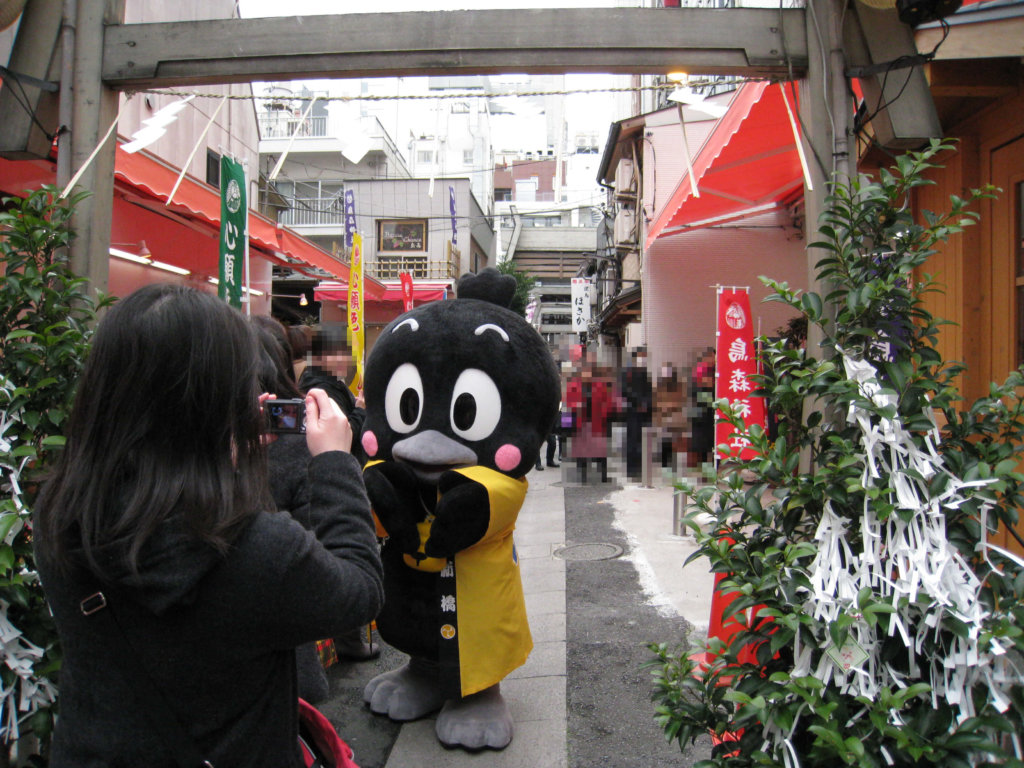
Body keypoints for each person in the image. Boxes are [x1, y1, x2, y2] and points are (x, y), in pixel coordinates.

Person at [33, 284, 383, 768]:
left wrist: (224, 459)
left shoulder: (61, 513)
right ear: (216, 399)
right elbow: (360, 590)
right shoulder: (259, 549)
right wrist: (334, 464)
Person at [254, 316, 380, 667]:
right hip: (285, 666)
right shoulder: (316, 404)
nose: (347, 360)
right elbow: (357, 587)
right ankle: (348, 641)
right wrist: (336, 455)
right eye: (342, 353)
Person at [299, 324, 366, 464]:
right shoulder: (321, 390)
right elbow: (341, 436)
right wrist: (360, 410)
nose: (341, 359)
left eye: (345, 352)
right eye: (333, 353)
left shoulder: (330, 381)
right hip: (337, 466)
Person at [619, 347, 653, 480]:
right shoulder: (626, 373)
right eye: (641, 356)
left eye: (645, 356)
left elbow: (649, 392)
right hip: (631, 412)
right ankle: (632, 470)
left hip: (644, 414)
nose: (643, 359)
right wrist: (637, 402)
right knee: (632, 441)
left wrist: (646, 404)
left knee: (642, 441)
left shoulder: (644, 373)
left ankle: (641, 468)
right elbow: (624, 391)